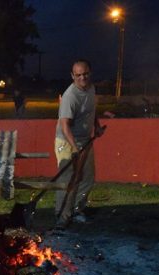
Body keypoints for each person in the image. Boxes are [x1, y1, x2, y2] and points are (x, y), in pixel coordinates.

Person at [54, 59, 106, 229]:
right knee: (68, 180)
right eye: (78, 75)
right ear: (72, 76)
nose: (82, 78)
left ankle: (77, 210)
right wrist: (75, 149)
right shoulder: (70, 96)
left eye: (85, 74)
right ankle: (62, 217)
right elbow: (64, 125)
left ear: (90, 73)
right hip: (67, 141)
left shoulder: (91, 88)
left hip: (85, 140)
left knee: (87, 177)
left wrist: (96, 126)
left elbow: (92, 110)